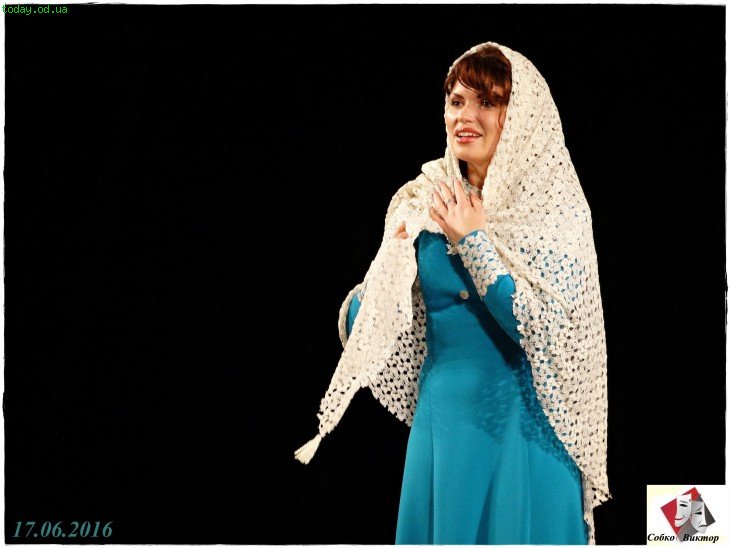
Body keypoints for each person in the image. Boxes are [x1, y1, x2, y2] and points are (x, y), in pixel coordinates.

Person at [295, 42, 611, 545]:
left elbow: (547, 333)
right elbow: (365, 334)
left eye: (486, 102)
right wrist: (387, 272)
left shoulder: (555, 213)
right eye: (456, 101)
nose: (466, 116)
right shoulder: (423, 199)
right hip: (445, 430)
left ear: (521, 118)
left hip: (527, 433)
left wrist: (474, 243)